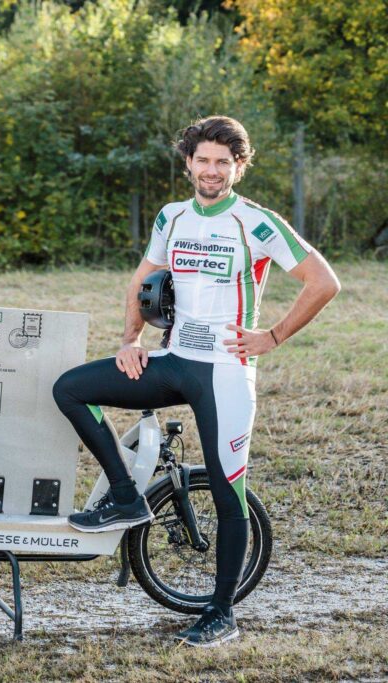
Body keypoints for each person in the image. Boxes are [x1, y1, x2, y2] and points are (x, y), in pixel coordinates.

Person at [52, 115, 340, 647]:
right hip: (173, 361)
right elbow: (142, 279)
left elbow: (323, 281)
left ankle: (221, 612)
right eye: (203, 160)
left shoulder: (256, 222)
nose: (211, 170)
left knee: (229, 492)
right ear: (188, 163)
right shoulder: (172, 217)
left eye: (222, 162)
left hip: (226, 374)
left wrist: (273, 336)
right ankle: (125, 495)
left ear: (238, 167)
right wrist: (130, 340)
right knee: (71, 389)